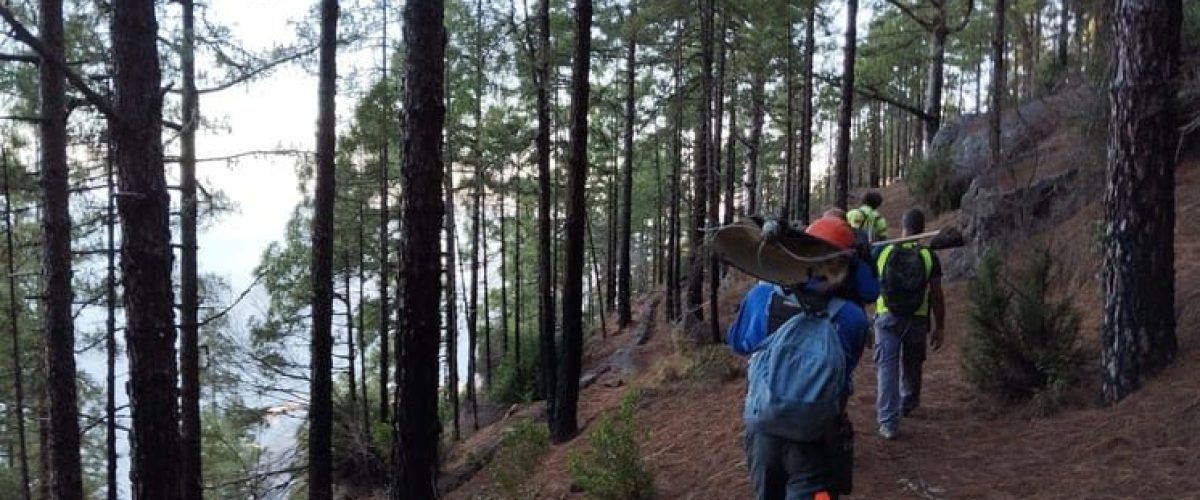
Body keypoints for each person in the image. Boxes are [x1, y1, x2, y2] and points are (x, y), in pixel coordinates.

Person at [727, 217, 878, 500]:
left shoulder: (761, 298)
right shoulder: (851, 317)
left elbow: (738, 343)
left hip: (765, 429)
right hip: (818, 434)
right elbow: (846, 369)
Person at [872, 209, 945, 440]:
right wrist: (939, 326)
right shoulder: (928, 256)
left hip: (886, 318)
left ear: (902, 225)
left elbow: (868, 283)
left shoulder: (883, 252)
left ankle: (888, 423)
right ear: (922, 228)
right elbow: (936, 294)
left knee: (887, 368)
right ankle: (909, 401)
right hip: (917, 318)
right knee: (913, 364)